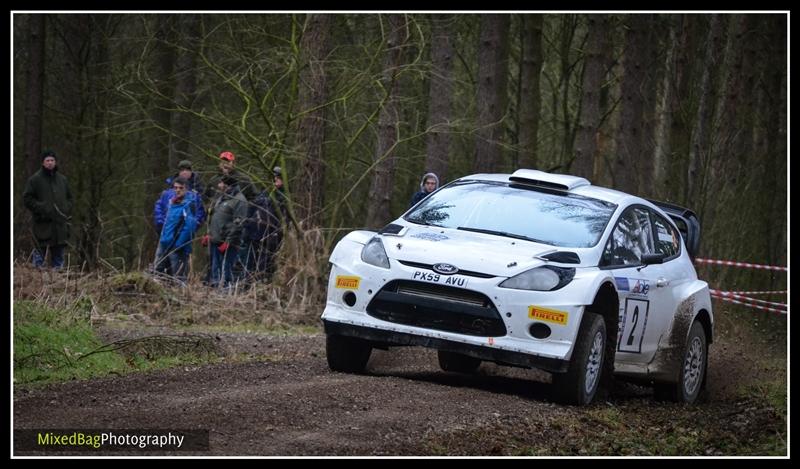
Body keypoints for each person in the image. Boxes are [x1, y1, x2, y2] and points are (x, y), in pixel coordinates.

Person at [23, 149, 73, 269]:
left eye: (52, 160)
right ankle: (37, 283)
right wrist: (42, 208)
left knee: (59, 259)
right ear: (43, 163)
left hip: (60, 227)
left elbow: (70, 198)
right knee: (39, 258)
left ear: (55, 162)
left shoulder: (62, 180)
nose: (50, 162)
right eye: (47, 160)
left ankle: (59, 284)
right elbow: (27, 199)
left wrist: (65, 209)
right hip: (42, 225)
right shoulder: (34, 180)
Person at [202, 174, 247, 289]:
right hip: (216, 241)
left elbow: (239, 224)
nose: (218, 185)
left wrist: (229, 241)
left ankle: (227, 295)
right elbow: (215, 218)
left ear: (227, 185)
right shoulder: (221, 198)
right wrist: (209, 235)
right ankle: (216, 293)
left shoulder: (239, 200)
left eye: (221, 183)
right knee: (215, 273)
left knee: (226, 272)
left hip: (228, 245)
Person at [154, 177, 198, 282]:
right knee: (158, 272)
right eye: (175, 188)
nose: (177, 190)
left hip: (177, 247)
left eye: (181, 188)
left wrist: (179, 244)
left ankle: (182, 296)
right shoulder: (172, 203)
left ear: (186, 189)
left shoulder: (189, 204)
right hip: (164, 243)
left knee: (179, 277)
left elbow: (190, 227)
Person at [154, 159, 205, 235]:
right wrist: (160, 222)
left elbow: (200, 211)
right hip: (167, 228)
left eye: (187, 169)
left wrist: (193, 226)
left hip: (187, 230)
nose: (184, 172)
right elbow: (159, 206)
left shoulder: (197, 189)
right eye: (182, 170)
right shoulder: (169, 189)